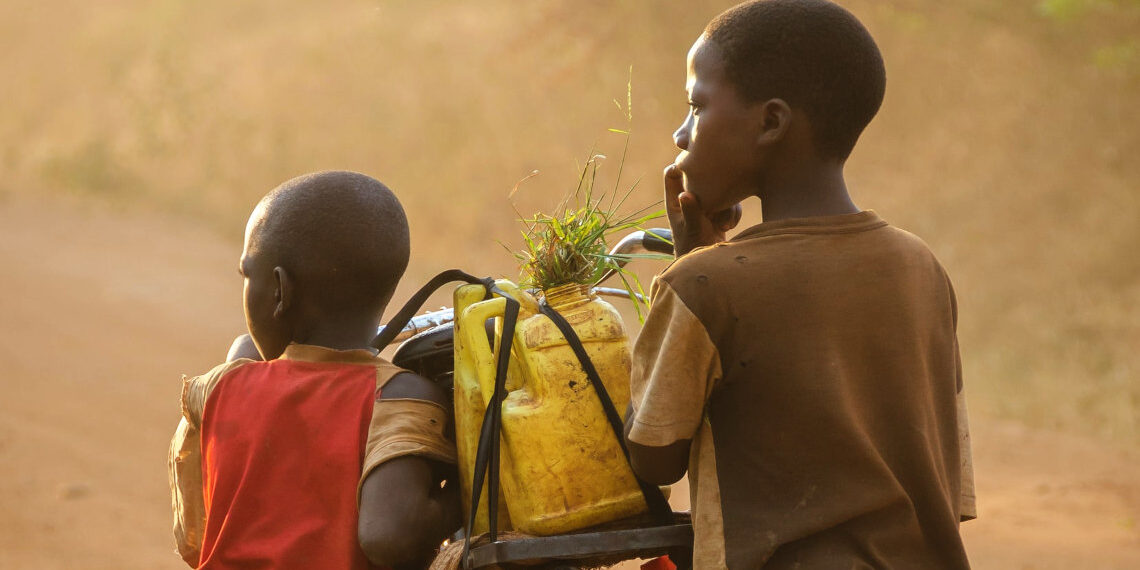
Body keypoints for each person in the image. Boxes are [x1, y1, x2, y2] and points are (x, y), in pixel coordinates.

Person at [622, 1, 976, 568]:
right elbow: (948, 477)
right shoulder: (921, 267)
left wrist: (691, 263)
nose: (681, 133)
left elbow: (653, 458)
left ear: (771, 123)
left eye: (696, 106)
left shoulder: (705, 285)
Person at [168, 171, 460, 570]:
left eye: (246, 275)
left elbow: (193, 539)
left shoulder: (223, 388)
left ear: (278, 291)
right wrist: (465, 496)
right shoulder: (396, 398)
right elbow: (389, 539)